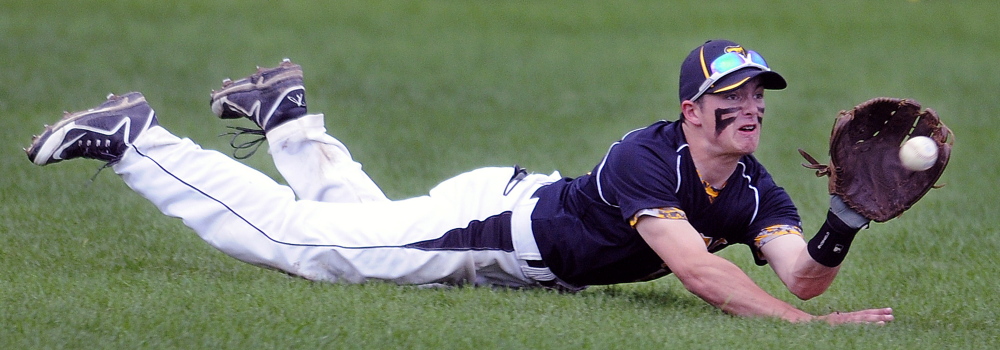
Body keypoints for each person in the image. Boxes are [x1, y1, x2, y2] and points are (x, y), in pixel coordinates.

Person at [26, 39, 893, 325]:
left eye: (757, 97)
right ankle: (138, 140)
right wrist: (804, 332)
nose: (750, 110)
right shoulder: (648, 156)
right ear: (690, 108)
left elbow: (800, 275)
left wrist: (844, 220)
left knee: (369, 234)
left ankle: (284, 116)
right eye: (730, 97)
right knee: (300, 245)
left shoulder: (755, 192)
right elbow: (703, 274)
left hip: (498, 211)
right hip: (489, 226)